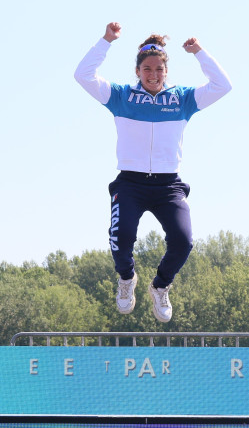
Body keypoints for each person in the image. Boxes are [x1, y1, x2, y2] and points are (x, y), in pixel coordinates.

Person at [75, 22, 231, 322]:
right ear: (138, 71)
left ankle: (160, 286)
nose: (153, 74)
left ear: (166, 72)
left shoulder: (181, 99)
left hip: (168, 185)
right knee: (121, 237)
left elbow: (223, 86)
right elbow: (83, 75)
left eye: (159, 69)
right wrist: (106, 40)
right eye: (147, 69)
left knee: (183, 241)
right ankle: (126, 279)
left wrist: (199, 52)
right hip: (130, 183)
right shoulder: (121, 96)